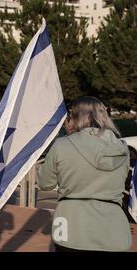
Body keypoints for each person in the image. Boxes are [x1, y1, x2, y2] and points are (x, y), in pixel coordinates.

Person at [38, 96, 132, 252]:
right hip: (113, 228)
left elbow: (45, 183)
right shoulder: (122, 149)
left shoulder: (62, 145)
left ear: (74, 117)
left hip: (69, 225)